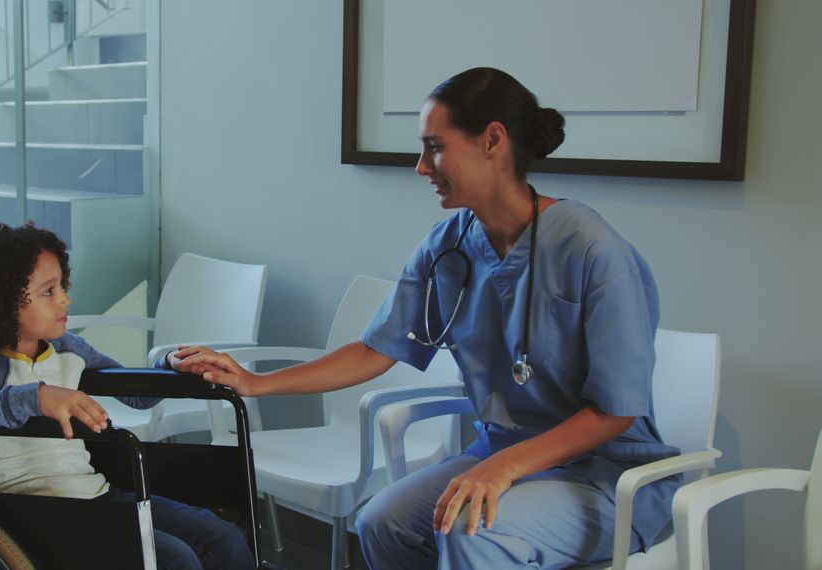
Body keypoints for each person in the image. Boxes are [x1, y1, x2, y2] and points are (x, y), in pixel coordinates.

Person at [173, 67, 680, 568]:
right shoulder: (450, 245)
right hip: (504, 457)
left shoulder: (592, 251)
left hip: (604, 478)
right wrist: (256, 382)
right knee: (382, 523)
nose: (421, 166)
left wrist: (505, 466)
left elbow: (617, 412)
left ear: (492, 141)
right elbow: (376, 349)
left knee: (472, 530)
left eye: (434, 147)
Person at [0, 222, 255, 570]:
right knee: (174, 560)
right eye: (48, 291)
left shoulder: (68, 348)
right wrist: (34, 398)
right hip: (27, 512)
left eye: (61, 285)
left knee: (222, 536)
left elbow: (137, 396)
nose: (65, 298)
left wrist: (169, 365)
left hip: (94, 496)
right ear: (0, 301)